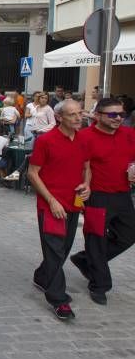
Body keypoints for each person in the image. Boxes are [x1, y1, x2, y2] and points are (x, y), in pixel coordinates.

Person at [27, 100, 89, 320]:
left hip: (74, 202)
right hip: (50, 204)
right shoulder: (46, 141)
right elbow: (32, 173)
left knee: (63, 249)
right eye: (72, 114)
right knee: (54, 250)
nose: (78, 118)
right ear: (60, 117)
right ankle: (58, 299)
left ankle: (42, 276)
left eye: (79, 113)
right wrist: (51, 200)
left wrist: (86, 184)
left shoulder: (83, 138)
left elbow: (86, 166)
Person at [72, 98, 135, 305]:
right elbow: (81, 166)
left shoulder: (129, 134)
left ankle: (85, 260)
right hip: (96, 196)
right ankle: (99, 285)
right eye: (112, 114)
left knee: (128, 235)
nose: (118, 118)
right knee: (96, 241)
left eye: (121, 114)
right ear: (98, 115)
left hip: (123, 194)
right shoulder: (84, 136)